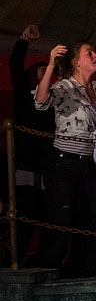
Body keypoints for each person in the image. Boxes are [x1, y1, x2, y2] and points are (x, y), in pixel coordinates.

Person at [34, 39, 96, 277]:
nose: (94, 56)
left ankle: (82, 281)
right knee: (60, 228)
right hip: (63, 164)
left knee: (92, 228)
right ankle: (46, 282)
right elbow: (41, 102)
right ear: (76, 63)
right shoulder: (65, 86)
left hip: (87, 166)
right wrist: (51, 65)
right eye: (89, 53)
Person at [9, 24, 55, 266]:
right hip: (27, 169)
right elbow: (15, 66)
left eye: (48, 72)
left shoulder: (53, 102)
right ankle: (13, 266)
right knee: (25, 223)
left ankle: (47, 268)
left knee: (50, 226)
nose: (46, 75)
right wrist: (24, 38)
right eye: (42, 72)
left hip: (49, 170)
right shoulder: (24, 97)